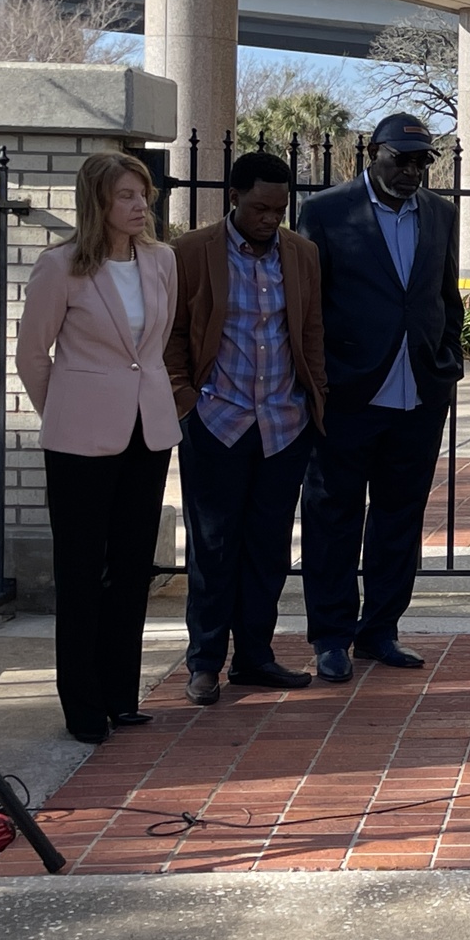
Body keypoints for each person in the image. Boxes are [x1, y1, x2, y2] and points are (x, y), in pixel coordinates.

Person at [16, 152, 181, 744]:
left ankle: (120, 694)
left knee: (132, 568)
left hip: (148, 431)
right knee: (82, 571)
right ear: (98, 204)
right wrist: (66, 414)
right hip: (78, 441)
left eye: (144, 194)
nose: (140, 205)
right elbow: (33, 357)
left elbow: (155, 347)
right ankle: (82, 705)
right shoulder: (60, 267)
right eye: (126, 197)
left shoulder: (162, 261)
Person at [297, 114, 463, 682]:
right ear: (374, 153)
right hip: (348, 392)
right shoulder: (325, 211)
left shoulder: (441, 214)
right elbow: (309, 305)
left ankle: (380, 630)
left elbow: (446, 297)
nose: (414, 170)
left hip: (419, 392)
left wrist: (447, 364)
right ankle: (331, 636)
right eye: (403, 159)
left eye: (423, 161)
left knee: (399, 516)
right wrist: (319, 379)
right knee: (333, 515)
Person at [163, 151, 328, 707]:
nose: (270, 218)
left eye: (280, 208)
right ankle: (205, 663)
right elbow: (173, 337)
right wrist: (187, 405)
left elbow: (310, 334)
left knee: (268, 549)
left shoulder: (301, 254)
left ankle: (254, 656)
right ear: (233, 198)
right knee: (213, 548)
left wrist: (313, 403)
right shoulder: (190, 253)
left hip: (283, 424)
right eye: (260, 207)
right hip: (216, 422)